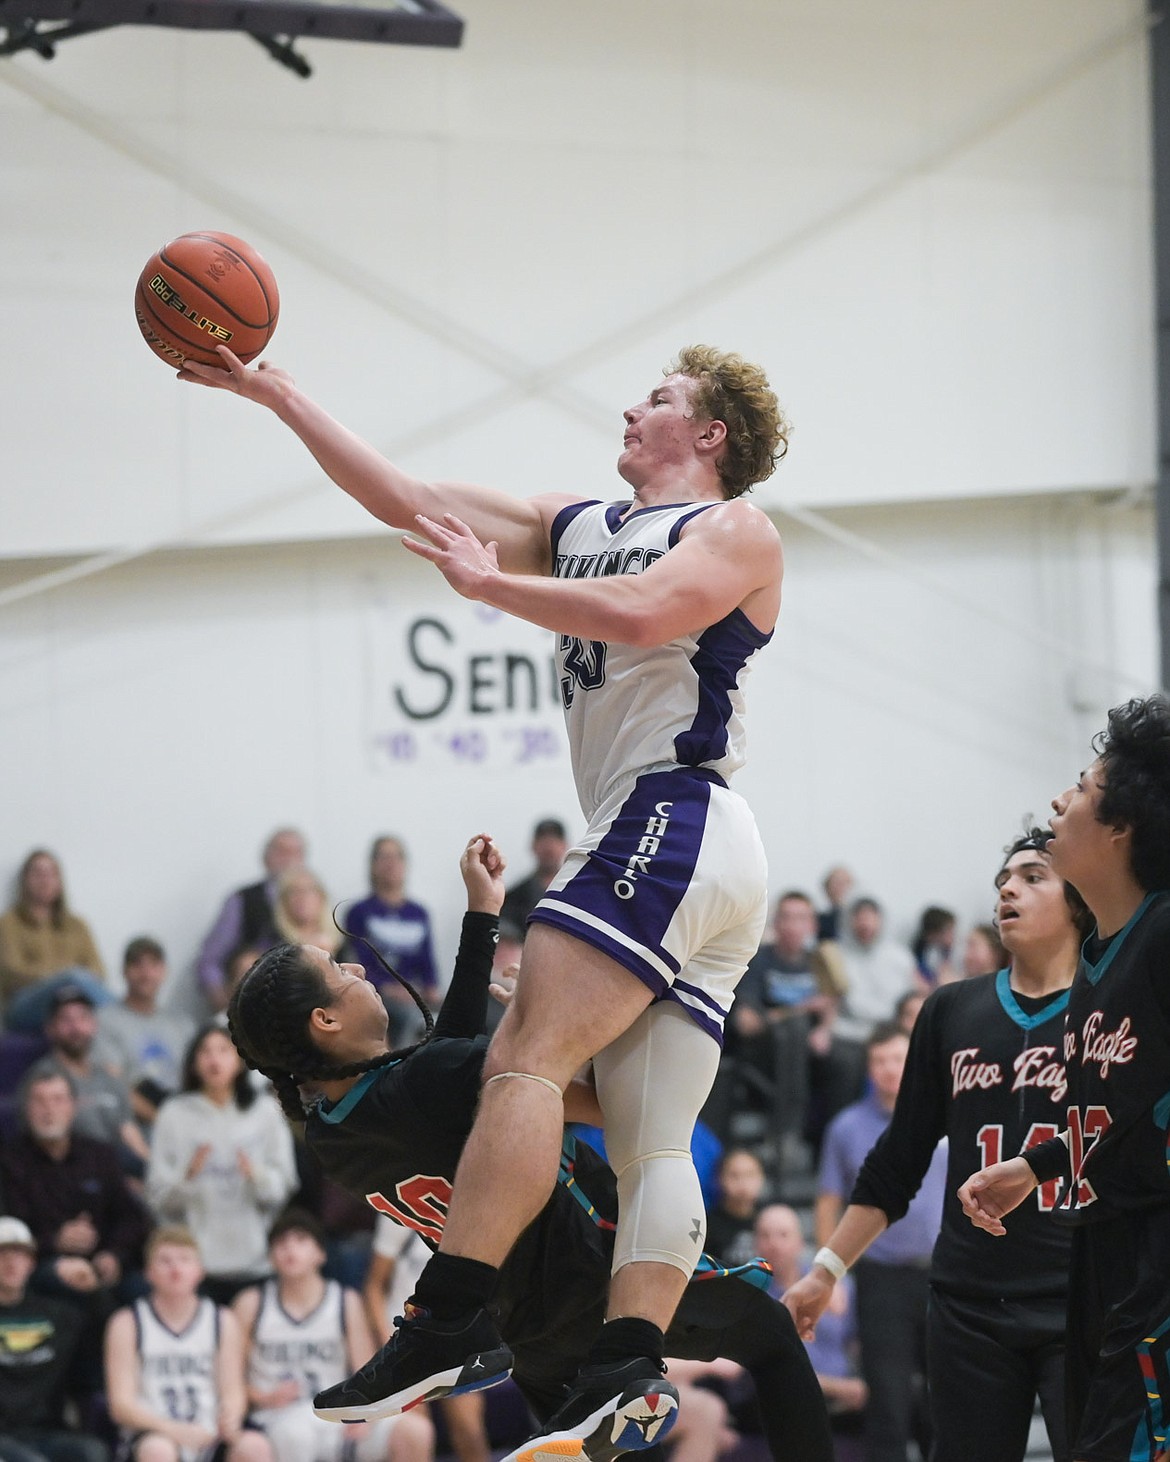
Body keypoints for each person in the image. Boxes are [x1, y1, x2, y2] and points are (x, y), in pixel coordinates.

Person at [180, 340, 788, 1454]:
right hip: (694, 847)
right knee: (653, 1142)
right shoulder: (576, 522)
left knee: (524, 1062)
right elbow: (406, 498)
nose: (631, 404)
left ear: (710, 437)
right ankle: (625, 1365)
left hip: (673, 809)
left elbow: (651, 613)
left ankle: (448, 1314)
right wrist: (276, 391)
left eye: (660, 396)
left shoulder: (730, 528)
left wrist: (489, 586)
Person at [226, 833, 833, 1462]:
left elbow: (446, 1062)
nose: (356, 968)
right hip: (592, 1267)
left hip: (519, 1322)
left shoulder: (330, 1132)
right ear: (325, 1021)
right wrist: (559, 1033)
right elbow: (617, 1101)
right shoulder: (434, 1082)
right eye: (338, 971)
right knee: (772, 1340)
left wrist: (482, 914)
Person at [786, 827, 1090, 1462]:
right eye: (1004, 878)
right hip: (968, 1302)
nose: (1009, 886)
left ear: (1080, 898)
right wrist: (825, 1270)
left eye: (1034, 876)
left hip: (1085, 1295)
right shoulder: (951, 1009)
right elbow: (898, 1160)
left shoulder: (1110, 1006)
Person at [957, 697, 1170, 1462]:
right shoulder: (1097, 961)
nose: (1059, 800)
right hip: (1101, 1249)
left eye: (1080, 787)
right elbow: (1125, 1110)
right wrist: (1036, 1165)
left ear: (1120, 826)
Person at [811, 1023, 946, 1462]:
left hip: (944, 1274)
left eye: (898, 1059)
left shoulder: (944, 1115)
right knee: (886, 1400)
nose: (889, 1069)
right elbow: (828, 1204)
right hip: (880, 1277)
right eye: (880, 1060)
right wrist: (829, 1273)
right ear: (869, 1067)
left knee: (946, 1399)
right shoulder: (846, 1127)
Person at [234, 1209, 434, 1462]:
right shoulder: (251, 1303)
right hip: (278, 1415)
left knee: (415, 1430)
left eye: (300, 1240)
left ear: (321, 1253)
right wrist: (264, 1397)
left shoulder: (344, 1301)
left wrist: (365, 1412)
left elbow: (365, 1367)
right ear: (270, 1256)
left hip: (335, 1414)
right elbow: (230, 1381)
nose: (289, 1249)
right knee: (296, 1435)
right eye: (281, 1243)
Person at [145, 1025, 297, 1305]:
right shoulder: (173, 1114)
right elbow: (158, 1199)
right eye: (205, 1052)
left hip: (256, 1260)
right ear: (193, 1062)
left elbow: (284, 1187)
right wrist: (188, 1177)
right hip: (195, 1266)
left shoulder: (264, 1111)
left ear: (240, 1060)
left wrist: (256, 1176)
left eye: (223, 1051)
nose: (214, 1060)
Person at [104, 1225, 273, 1462]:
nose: (176, 1269)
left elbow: (233, 1391)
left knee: (254, 1446)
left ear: (200, 1271)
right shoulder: (127, 1322)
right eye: (165, 1261)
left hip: (208, 1431)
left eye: (184, 1260)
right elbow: (121, 1405)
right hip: (153, 1432)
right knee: (158, 1451)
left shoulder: (222, 1320)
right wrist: (174, 1430)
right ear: (148, 1272)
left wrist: (231, 1417)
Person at [0, 1214, 107, 1462]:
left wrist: (94, 1292)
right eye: (2, 1254)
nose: (11, 1262)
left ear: (32, 1263)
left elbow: (103, 1334)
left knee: (93, 1452)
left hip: (46, 1431)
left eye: (20, 1254)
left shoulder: (60, 1315)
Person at [27, 984, 150, 1172]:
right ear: (50, 1029)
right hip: (76, 1174)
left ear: (94, 1025)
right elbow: (45, 1144)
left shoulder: (108, 1076)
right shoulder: (42, 1080)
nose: (76, 1027)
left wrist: (152, 1172)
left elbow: (129, 1131)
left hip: (119, 1170)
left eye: (82, 1018)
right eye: (66, 1020)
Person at [197, 829, 307, 1014]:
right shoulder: (244, 900)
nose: (288, 860)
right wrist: (225, 1005)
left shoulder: (316, 901)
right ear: (266, 857)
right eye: (281, 851)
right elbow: (210, 960)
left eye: (295, 853)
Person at [94, 937, 196, 1136]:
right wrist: (163, 1121)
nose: (146, 973)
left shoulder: (182, 1024)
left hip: (185, 1113)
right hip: (137, 1122)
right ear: (124, 971)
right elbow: (114, 1085)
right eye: (137, 964)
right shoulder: (106, 1020)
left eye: (153, 965)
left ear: (164, 971)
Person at [343, 838, 440, 1046]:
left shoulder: (418, 912)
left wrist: (431, 986)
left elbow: (427, 961)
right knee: (409, 1017)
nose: (391, 863)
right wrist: (388, 988)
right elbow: (358, 960)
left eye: (397, 857)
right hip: (378, 992)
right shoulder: (359, 912)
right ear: (373, 865)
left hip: (415, 992)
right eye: (384, 857)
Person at [0, 851, 107, 1034]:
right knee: (74, 977)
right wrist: (63, 977)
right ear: (25, 881)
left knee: (76, 982)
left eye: (51, 874)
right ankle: (122, 1020)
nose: (44, 880)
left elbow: (98, 971)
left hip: (73, 1003)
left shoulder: (77, 925)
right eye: (38, 874)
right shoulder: (8, 923)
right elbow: (11, 973)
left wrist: (65, 979)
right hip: (24, 1007)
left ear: (59, 882)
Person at [500, 820, 569, 941]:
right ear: (533, 846)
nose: (549, 847)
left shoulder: (578, 892)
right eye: (544, 841)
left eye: (554, 841)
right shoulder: (514, 899)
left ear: (565, 846)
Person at [703, 1150, 767, 1269]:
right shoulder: (706, 1225)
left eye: (750, 1175)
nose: (743, 1183)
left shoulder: (769, 1219)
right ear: (719, 1178)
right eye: (734, 1175)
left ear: (762, 1177)